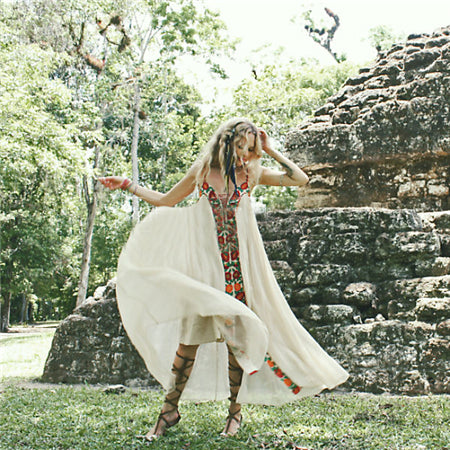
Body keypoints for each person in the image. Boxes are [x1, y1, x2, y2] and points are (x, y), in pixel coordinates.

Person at [99, 118, 348, 440]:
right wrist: (127, 184)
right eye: (240, 147)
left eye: (250, 149)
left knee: (236, 343)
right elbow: (166, 201)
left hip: (240, 273)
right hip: (206, 271)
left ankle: (234, 414)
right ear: (224, 143)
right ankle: (168, 413)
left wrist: (269, 149)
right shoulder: (202, 172)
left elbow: (299, 178)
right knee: (187, 344)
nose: (245, 154)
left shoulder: (251, 174)